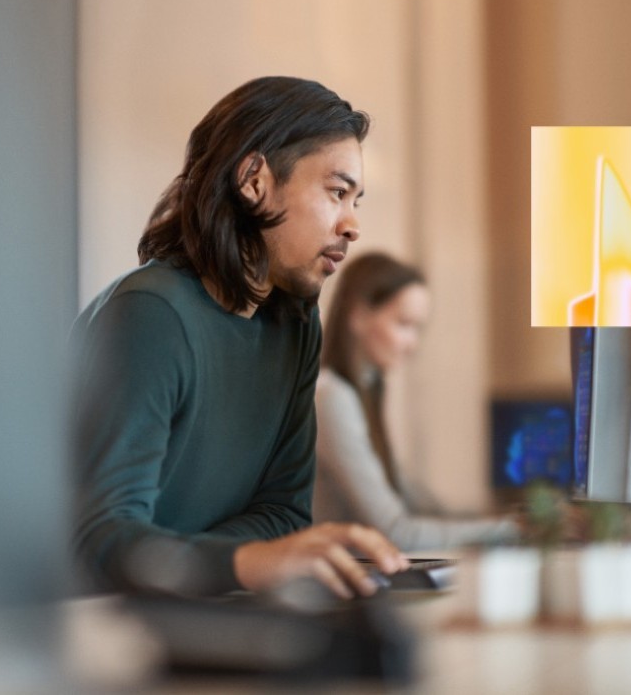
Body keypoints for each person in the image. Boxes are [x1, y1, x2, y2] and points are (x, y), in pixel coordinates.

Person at [70, 76, 410, 600]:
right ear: (254, 180)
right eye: (337, 192)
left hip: (204, 610)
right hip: (98, 625)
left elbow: (284, 514)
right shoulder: (150, 313)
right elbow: (100, 541)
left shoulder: (296, 326)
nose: (352, 226)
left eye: (355, 201)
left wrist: (220, 564)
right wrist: (245, 562)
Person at [313, 252, 518, 550]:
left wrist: (509, 521)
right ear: (359, 316)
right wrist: (511, 529)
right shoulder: (332, 397)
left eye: (418, 329)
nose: (413, 344)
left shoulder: (365, 392)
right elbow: (396, 532)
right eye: (404, 324)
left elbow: (422, 506)